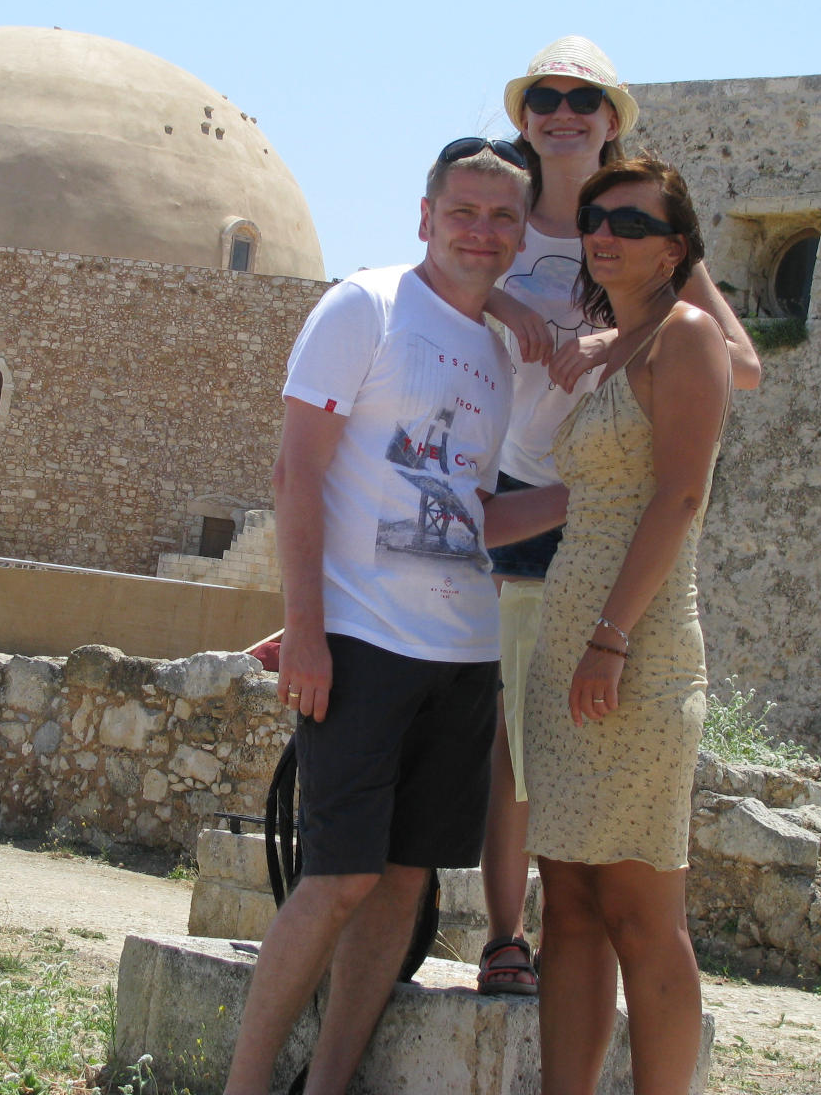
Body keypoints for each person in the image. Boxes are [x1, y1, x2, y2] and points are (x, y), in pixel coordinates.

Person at [223, 139, 566, 1095]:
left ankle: (327, 1085)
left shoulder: (495, 353)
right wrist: (307, 628)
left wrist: (585, 496)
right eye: (463, 212)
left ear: (519, 235)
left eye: (502, 218)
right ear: (425, 217)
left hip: (464, 652)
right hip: (363, 641)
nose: (481, 232)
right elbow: (297, 472)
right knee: (338, 877)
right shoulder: (364, 307)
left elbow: (467, 512)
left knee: (406, 879)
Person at [475, 36, 761, 997]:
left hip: (605, 512)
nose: (562, 112)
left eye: (581, 98)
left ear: (610, 119)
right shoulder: (504, 218)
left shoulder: (643, 233)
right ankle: (506, 934)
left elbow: (740, 364)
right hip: (517, 490)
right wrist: (507, 306)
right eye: (545, 96)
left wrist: (617, 338)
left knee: (565, 734)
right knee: (517, 734)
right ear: (524, 117)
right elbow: (436, 285)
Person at [521, 156, 730, 1094]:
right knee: (566, 904)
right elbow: (587, 497)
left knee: (642, 912)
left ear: (673, 250)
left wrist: (611, 638)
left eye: (633, 223)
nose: (605, 233)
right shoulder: (615, 344)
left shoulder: (688, 335)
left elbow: (679, 495)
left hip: (635, 650)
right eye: (596, 217)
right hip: (567, 646)